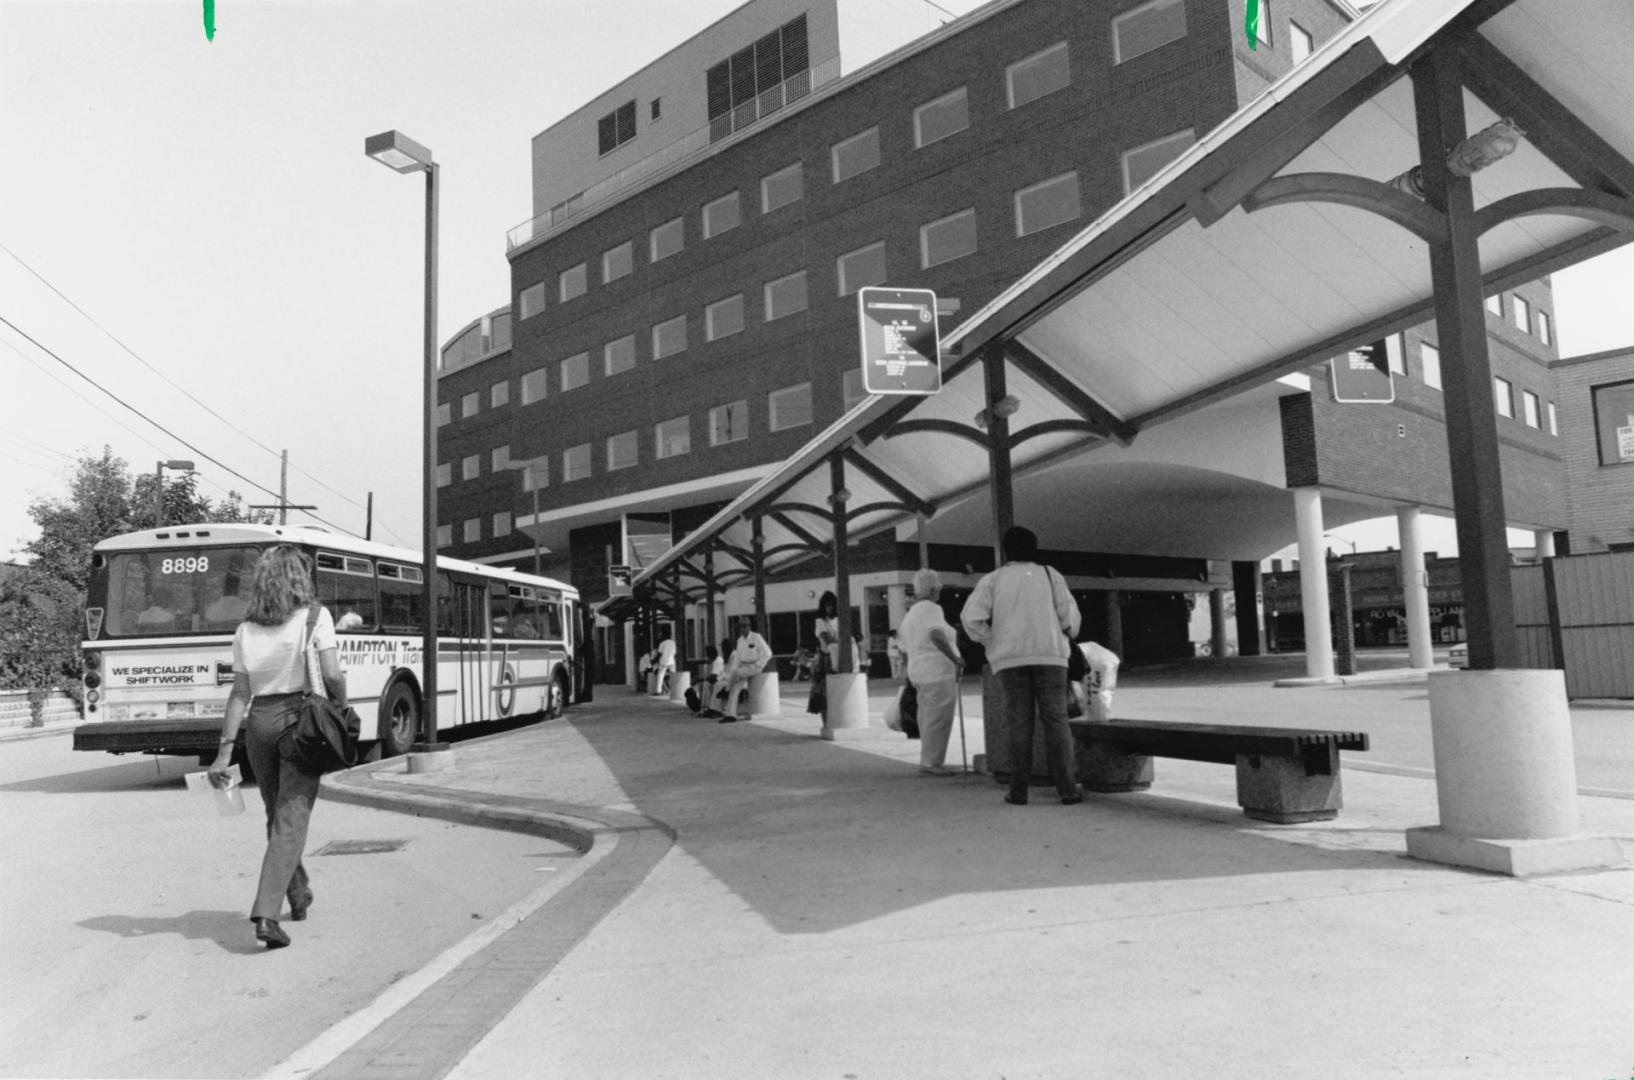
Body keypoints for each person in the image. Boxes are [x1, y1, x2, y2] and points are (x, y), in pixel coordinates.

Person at [207, 545, 347, 949]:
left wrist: (223, 752)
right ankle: (266, 915)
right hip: (299, 722)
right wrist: (342, 708)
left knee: (278, 816)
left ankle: (298, 892)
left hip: (259, 727)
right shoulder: (316, 618)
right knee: (291, 819)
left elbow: (239, 694)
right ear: (300, 579)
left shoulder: (245, 630)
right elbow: (333, 676)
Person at [960, 526, 1082, 807]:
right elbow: (1070, 619)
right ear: (1035, 549)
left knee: (1019, 723)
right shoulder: (1051, 575)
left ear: (1006, 551)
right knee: (1056, 721)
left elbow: (971, 619)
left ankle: (1018, 791)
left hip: (1010, 660)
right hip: (1050, 656)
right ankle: (1067, 790)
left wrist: (993, 641)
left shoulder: (993, 579)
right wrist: (1064, 632)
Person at [898, 568, 964, 776]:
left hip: (919, 672)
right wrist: (956, 659)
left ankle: (928, 759)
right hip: (937, 673)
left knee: (926, 717)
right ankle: (932, 762)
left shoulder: (911, 613)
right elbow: (936, 634)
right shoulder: (932, 609)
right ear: (934, 588)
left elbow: (903, 647)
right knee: (938, 718)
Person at [716, 616, 772, 723]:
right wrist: (734, 670)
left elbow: (768, 653)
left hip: (755, 666)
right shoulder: (739, 640)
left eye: (745, 626)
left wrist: (760, 664)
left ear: (749, 626)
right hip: (743, 667)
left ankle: (725, 688)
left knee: (736, 674)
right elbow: (738, 658)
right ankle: (730, 715)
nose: (743, 629)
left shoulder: (757, 637)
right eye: (741, 627)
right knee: (735, 688)